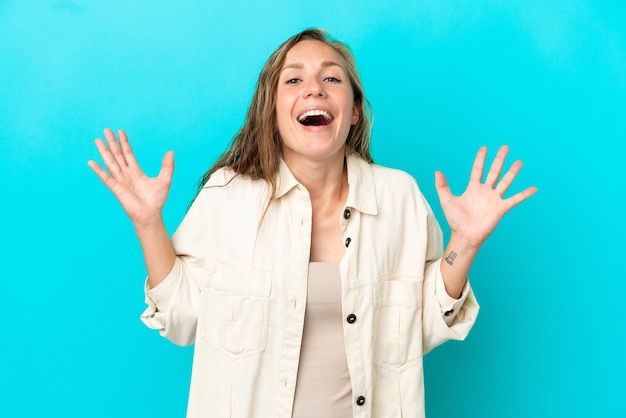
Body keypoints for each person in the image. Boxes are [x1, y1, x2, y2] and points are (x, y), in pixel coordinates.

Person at [88, 28, 536, 418]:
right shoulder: (229, 196)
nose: (314, 88)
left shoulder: (398, 197)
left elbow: (420, 328)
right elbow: (184, 319)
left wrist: (466, 241)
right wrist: (148, 224)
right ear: (274, 110)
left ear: (354, 110)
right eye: (295, 78)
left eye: (332, 78)